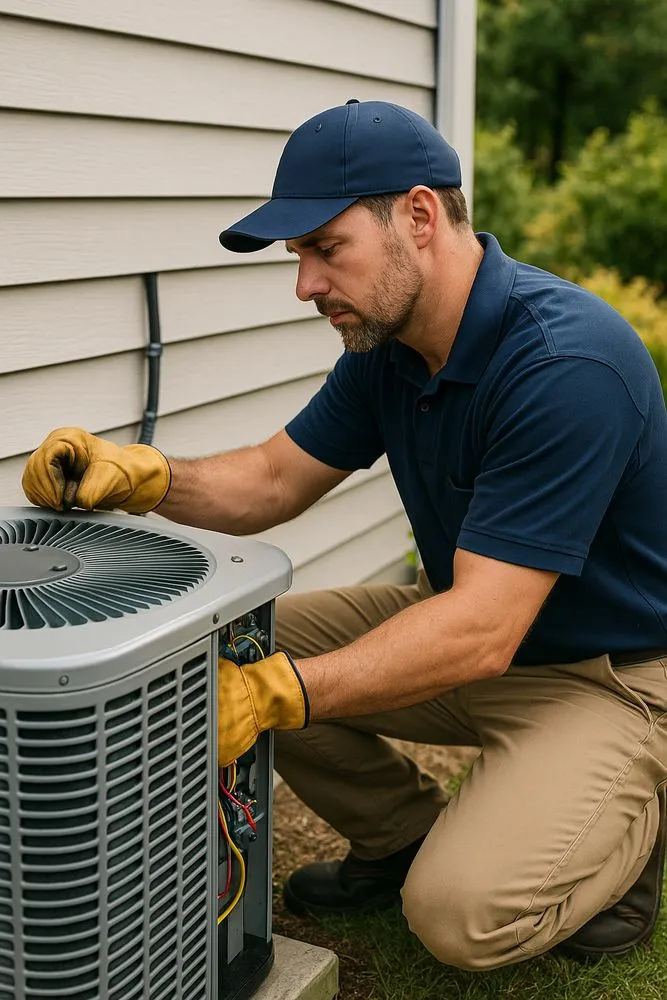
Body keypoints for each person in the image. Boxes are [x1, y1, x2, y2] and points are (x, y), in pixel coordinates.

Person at [22, 100, 667, 972]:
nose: (306, 286)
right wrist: (142, 477)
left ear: (418, 215)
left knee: (459, 920)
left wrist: (281, 693)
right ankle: (402, 835)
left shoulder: (564, 365)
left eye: (326, 250)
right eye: (299, 258)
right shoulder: (389, 348)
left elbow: (481, 628)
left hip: (612, 676)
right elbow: (275, 478)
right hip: (485, 630)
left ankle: (625, 836)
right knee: (246, 645)